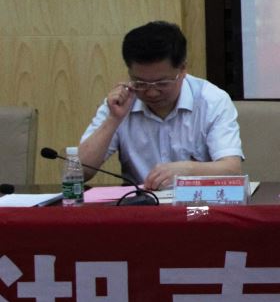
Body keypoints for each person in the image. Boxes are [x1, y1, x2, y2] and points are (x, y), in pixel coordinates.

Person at [78, 21, 243, 191]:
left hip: (198, 204)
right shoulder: (120, 103)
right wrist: (113, 119)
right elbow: (78, 172)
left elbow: (232, 170)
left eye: (162, 83)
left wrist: (188, 170)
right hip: (141, 205)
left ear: (182, 69)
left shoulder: (211, 100)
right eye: (141, 83)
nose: (151, 93)